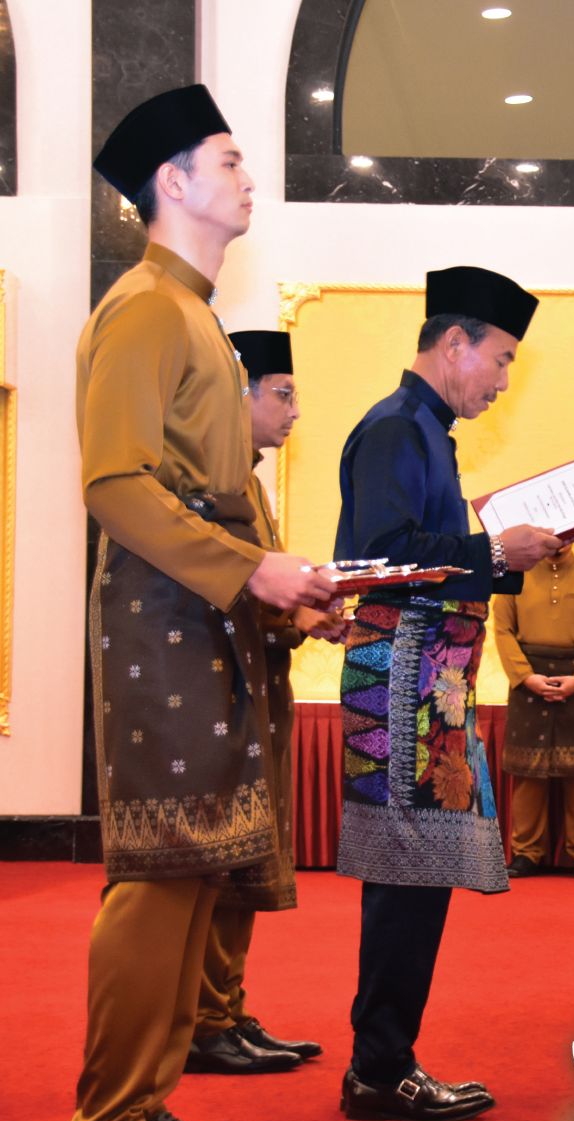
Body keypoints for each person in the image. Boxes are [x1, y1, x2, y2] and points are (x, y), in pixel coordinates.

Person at [68, 85, 334, 1121]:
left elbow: (206, 496)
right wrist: (249, 570)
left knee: (195, 871)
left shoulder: (191, 314)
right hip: (161, 615)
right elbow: (113, 483)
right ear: (171, 183)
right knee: (159, 871)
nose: (247, 176)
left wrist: (273, 588)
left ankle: (146, 1104)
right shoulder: (143, 305)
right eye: (228, 161)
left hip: (201, 611)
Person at [334, 266, 562, 1121]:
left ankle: (383, 1061)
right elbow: (383, 551)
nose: (502, 382)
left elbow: (422, 550)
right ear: (455, 343)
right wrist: (495, 551)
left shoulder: (426, 430)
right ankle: (379, 1068)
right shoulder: (398, 428)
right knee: (406, 871)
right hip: (403, 676)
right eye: (500, 360)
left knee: (416, 871)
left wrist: (497, 555)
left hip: (427, 676)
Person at [182, 331, 343, 1077]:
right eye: (282, 393)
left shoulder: (248, 484)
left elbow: (256, 597)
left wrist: (302, 615)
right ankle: (204, 1021)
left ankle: (227, 1009)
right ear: (236, 396)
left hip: (257, 691)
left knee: (246, 857)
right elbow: (218, 595)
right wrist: (292, 613)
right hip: (221, 697)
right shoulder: (209, 484)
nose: (294, 410)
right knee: (219, 860)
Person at [492, 541, 574, 879]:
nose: (559, 540)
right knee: (527, 772)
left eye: (566, 533)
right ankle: (525, 852)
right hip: (528, 682)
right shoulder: (513, 576)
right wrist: (525, 676)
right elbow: (502, 630)